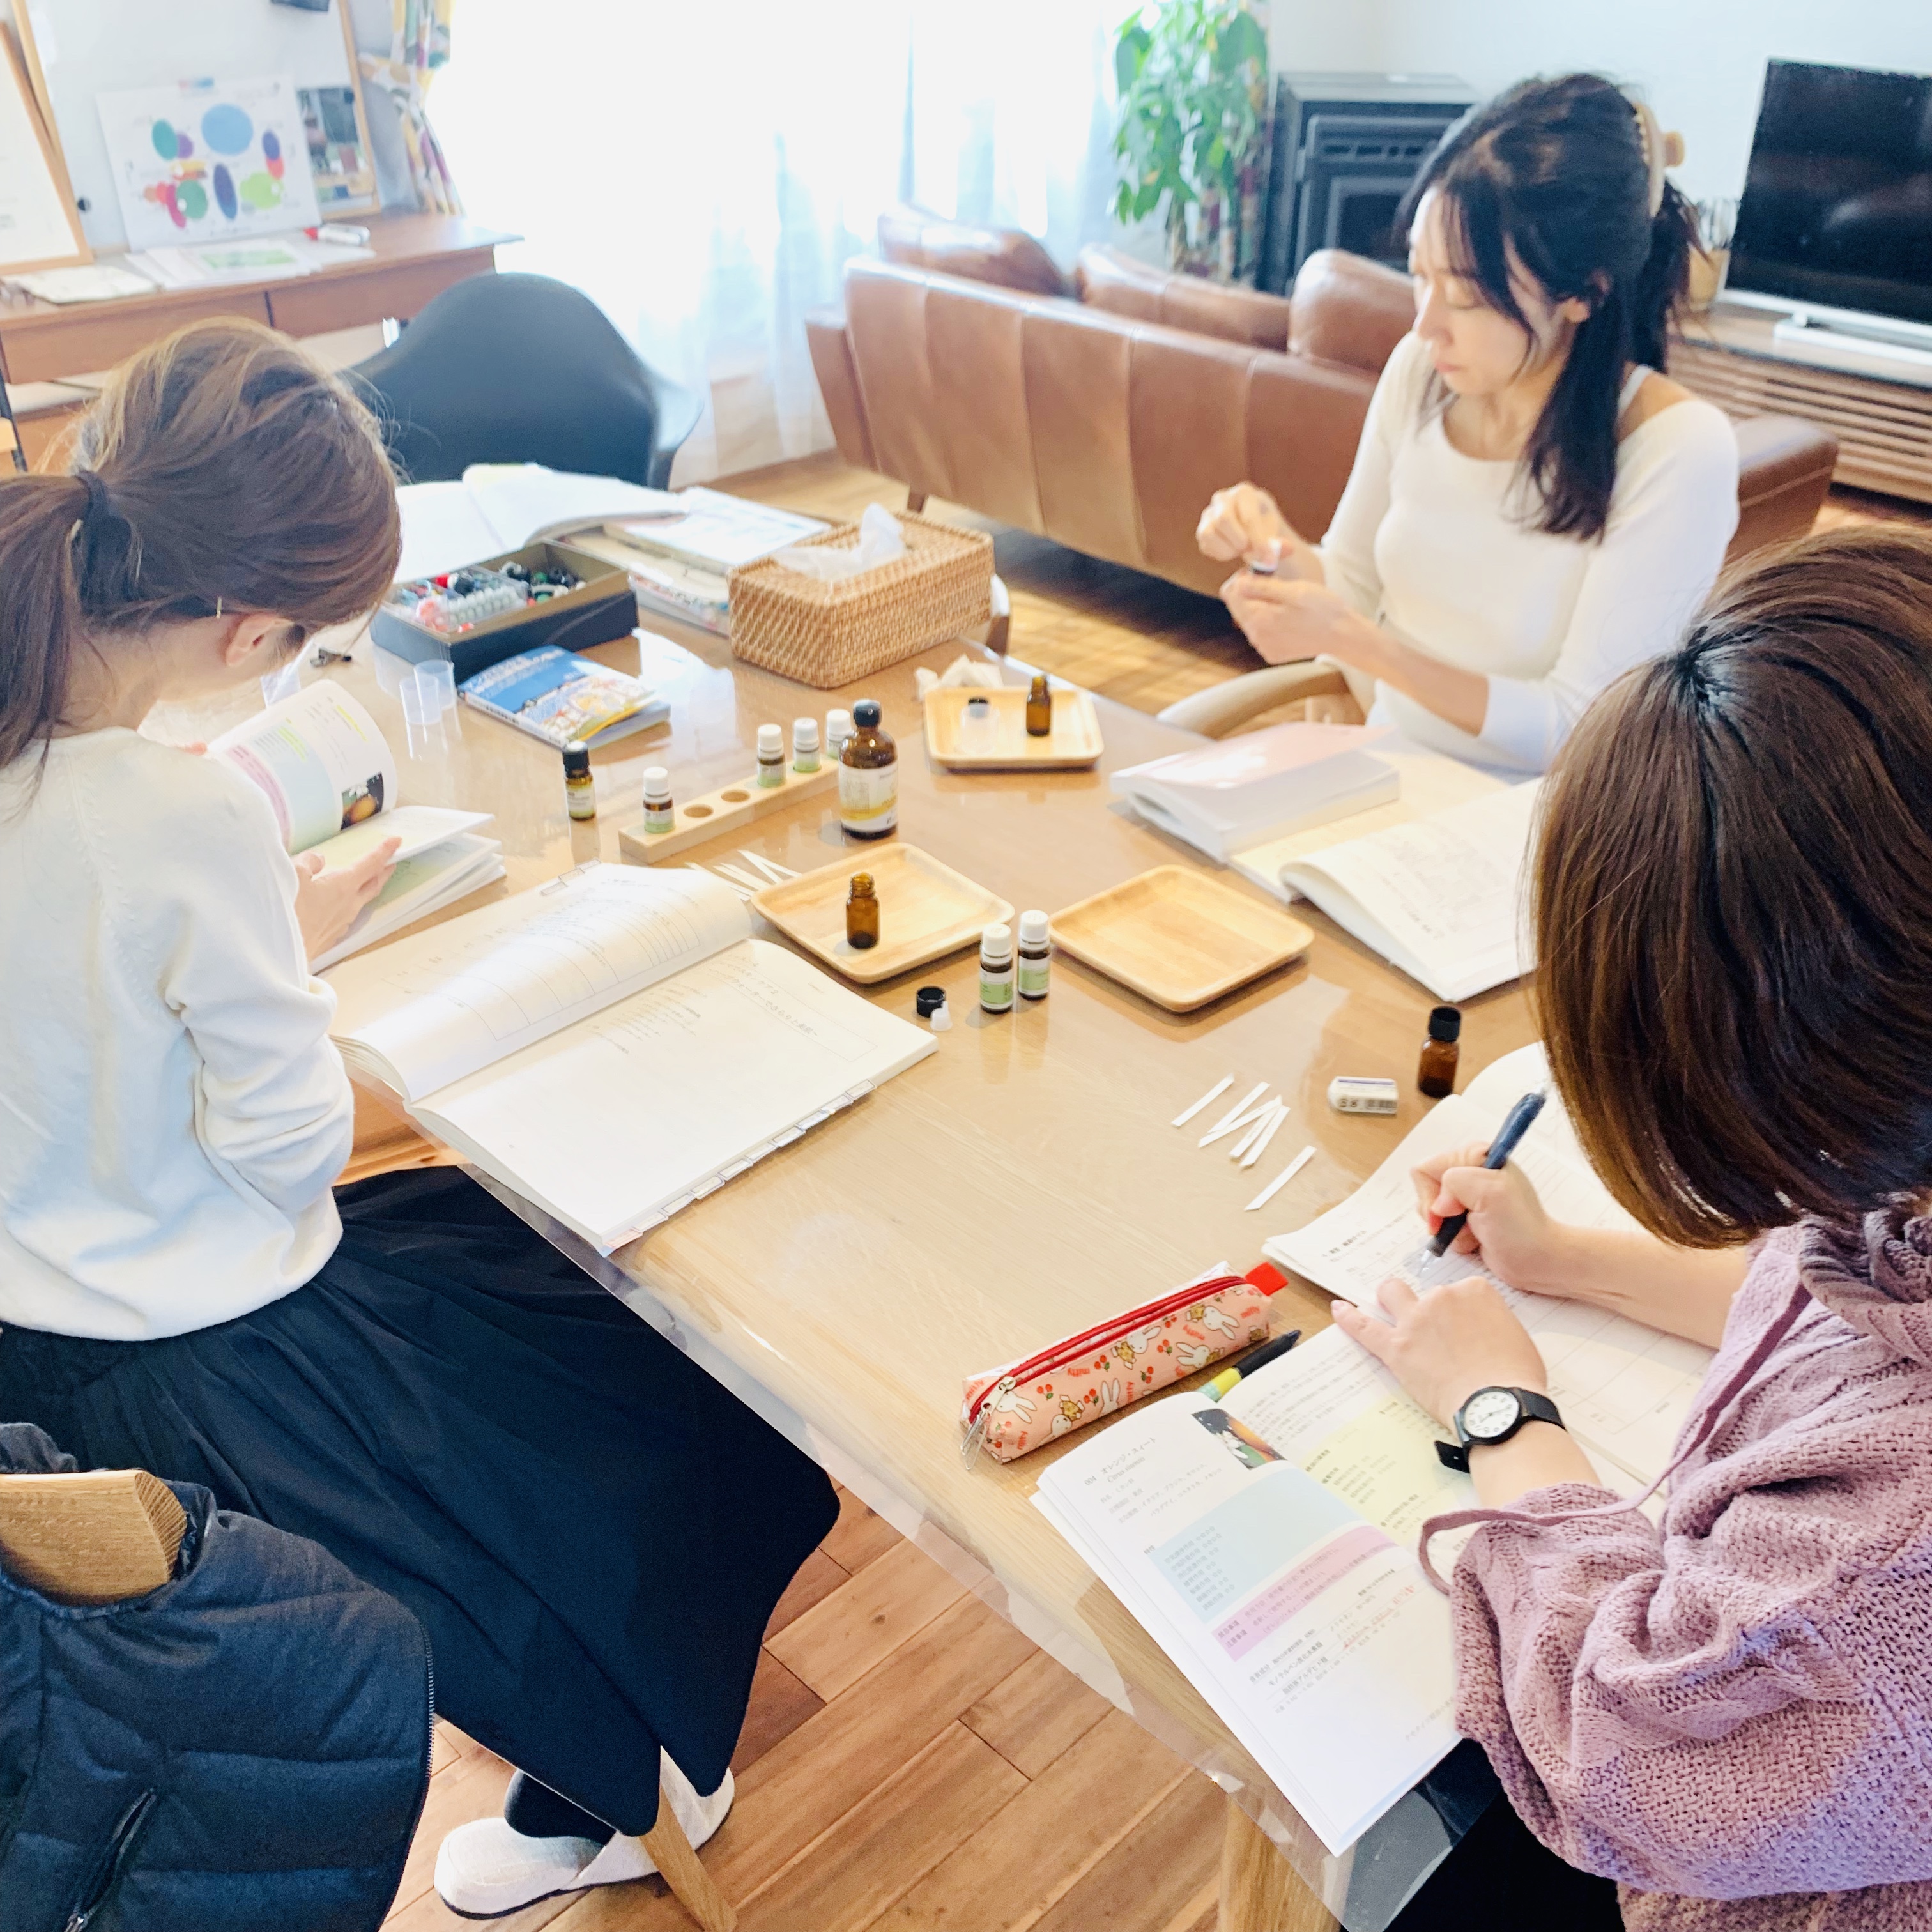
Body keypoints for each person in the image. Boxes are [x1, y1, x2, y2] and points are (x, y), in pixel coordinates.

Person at [0, 318, 839, 1918]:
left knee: (551, 1350)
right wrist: (284, 967)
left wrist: (249, 951)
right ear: (250, 633)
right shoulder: (181, 814)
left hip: (39, 1349)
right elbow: (285, 1151)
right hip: (216, 1360)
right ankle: (613, 1776)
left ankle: (623, 1756)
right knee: (649, 1396)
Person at [1331, 523, 1932, 1929]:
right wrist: (1566, 1264)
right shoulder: (1904, 1183)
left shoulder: (1879, 1566)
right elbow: (1835, 1300)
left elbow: (1624, 1755)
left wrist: (1502, 1415)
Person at [1197, 74, 1739, 774]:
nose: (1427, 325)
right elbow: (1351, 586)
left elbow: (1580, 731)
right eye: (1420, 276)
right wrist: (1274, 545)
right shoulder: (1421, 373)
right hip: (1380, 781)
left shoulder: (1675, 449)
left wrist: (1364, 646)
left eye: (1466, 296)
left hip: (1528, 821)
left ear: (1583, 293)